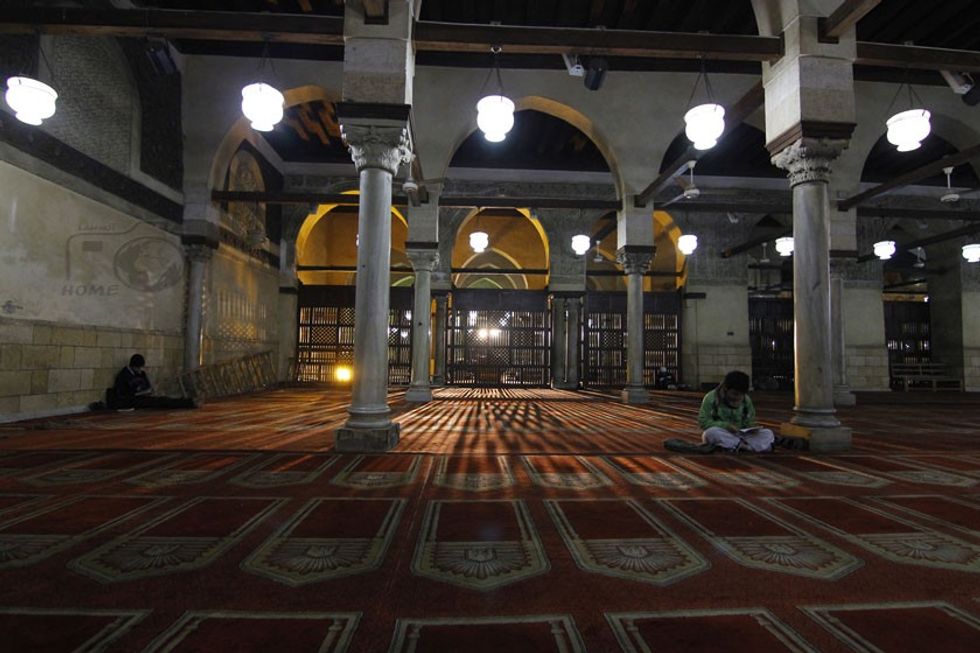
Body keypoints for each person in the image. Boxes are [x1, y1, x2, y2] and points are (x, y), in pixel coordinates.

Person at [697, 370, 774, 452]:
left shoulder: (746, 400)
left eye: (741, 394)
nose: (738, 397)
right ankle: (749, 447)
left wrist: (751, 428)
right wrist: (726, 426)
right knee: (710, 433)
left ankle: (739, 446)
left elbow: (750, 420)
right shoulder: (711, 398)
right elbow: (703, 421)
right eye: (735, 394)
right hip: (723, 433)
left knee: (768, 433)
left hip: (742, 435)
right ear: (726, 389)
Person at [107, 354, 196, 410]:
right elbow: (126, 393)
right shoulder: (125, 375)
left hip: (143, 397)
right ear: (134, 366)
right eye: (139, 368)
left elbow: (147, 386)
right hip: (132, 400)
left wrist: (149, 390)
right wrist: (142, 393)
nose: (141, 370)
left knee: (163, 399)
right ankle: (189, 403)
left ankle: (189, 402)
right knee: (161, 403)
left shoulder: (141, 374)